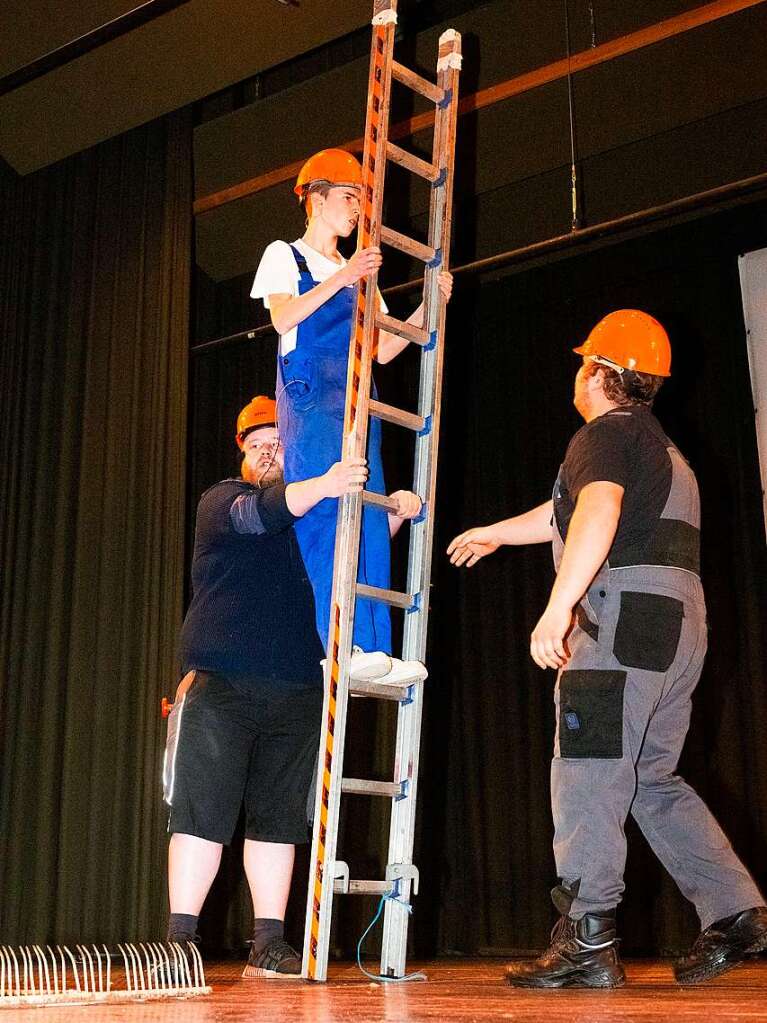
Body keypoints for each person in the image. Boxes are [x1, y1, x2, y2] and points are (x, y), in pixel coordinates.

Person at [448, 310, 767, 988]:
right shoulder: (658, 446)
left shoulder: (601, 435)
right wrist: (497, 532)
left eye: (580, 362)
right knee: (653, 780)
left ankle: (587, 938)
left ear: (597, 372)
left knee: (587, 772)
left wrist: (558, 606)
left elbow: (596, 510)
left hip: (621, 625)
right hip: (679, 629)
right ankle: (737, 911)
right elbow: (565, 508)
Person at [163, 396, 422, 978]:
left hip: (299, 687)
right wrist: (327, 482)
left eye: (279, 445)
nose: (269, 454)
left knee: (280, 820)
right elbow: (261, 515)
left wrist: (393, 516)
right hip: (222, 687)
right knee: (201, 815)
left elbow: (352, 552)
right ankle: (180, 940)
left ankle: (268, 942)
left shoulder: (312, 518)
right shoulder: (223, 501)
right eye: (258, 446)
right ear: (243, 456)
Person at [251, 147, 452, 685]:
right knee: (326, 514)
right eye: (348, 196)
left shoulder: (356, 270)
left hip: (360, 402)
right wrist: (344, 280)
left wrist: (430, 304)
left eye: (360, 199)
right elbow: (283, 318)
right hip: (313, 400)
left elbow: (383, 350)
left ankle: (375, 647)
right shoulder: (285, 255)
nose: (357, 209)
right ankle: (341, 644)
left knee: (364, 514)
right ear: (315, 200)